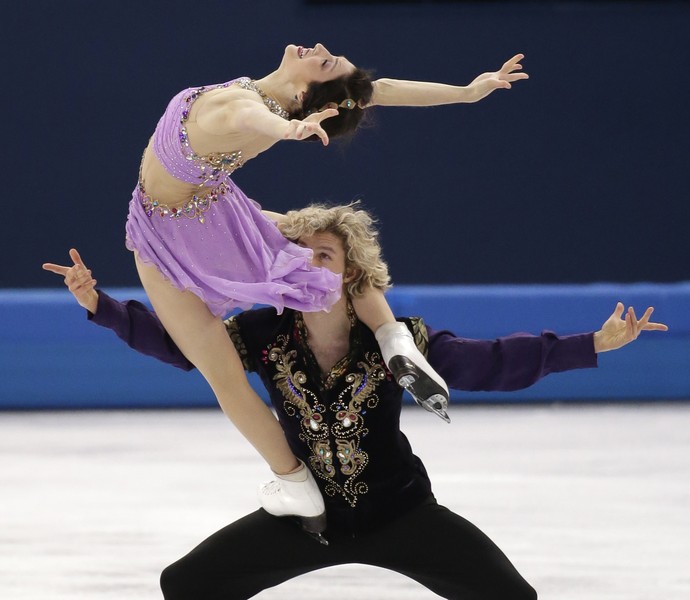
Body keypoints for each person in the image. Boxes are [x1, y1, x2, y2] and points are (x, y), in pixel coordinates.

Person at [44, 203, 667, 600]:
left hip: (400, 515)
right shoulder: (261, 335)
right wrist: (100, 306)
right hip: (308, 522)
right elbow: (185, 349)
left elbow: (492, 362)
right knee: (188, 585)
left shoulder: (396, 342)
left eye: (326, 255)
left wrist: (593, 344)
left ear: (348, 272)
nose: (311, 264)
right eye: (299, 255)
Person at [115, 42, 529, 530]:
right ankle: (387, 340)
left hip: (165, 230)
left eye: (327, 63)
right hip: (217, 212)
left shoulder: (243, 107)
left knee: (222, 367)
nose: (322, 49)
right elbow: (382, 91)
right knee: (327, 252)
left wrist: (289, 130)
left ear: (306, 91)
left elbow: (252, 117)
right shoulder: (279, 101)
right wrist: (465, 92)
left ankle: (294, 479)